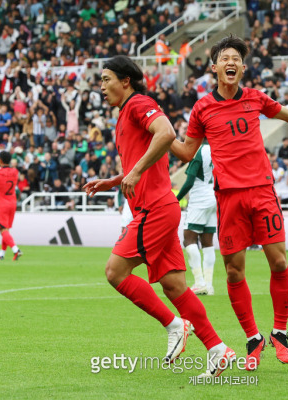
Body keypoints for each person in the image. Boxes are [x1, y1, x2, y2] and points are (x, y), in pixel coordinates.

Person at [170, 35, 288, 371]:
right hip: (228, 197)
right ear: (214, 67)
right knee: (234, 271)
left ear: (242, 67)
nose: (231, 62)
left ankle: (280, 332)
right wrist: (160, 133)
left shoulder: (255, 99)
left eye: (236, 57)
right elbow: (185, 152)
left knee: (278, 262)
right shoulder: (203, 108)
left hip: (262, 191)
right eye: (225, 58)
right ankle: (253, 338)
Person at [83, 55, 234, 377]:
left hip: (154, 209)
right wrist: (116, 179)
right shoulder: (125, 114)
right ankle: (218, 350)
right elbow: (155, 153)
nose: (102, 86)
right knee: (175, 286)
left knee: (115, 272)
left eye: (106, 78)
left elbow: (165, 133)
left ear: (125, 80)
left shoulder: (138, 103)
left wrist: (135, 172)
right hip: (159, 207)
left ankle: (174, 325)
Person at [175, 141, 217, 296]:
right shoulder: (216, 149)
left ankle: (199, 282)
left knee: (189, 239)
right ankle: (209, 285)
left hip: (200, 198)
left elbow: (189, 181)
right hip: (214, 196)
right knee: (207, 242)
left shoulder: (199, 152)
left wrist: (176, 199)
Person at [0, 151, 22, 261]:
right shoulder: (15, 172)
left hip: (2, 203)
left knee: (2, 229)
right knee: (6, 230)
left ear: (0, 160)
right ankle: (1, 254)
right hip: (12, 203)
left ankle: (16, 250)